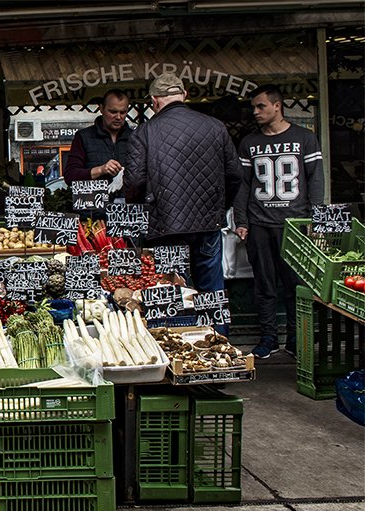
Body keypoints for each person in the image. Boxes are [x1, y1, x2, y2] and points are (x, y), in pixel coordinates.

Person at [124, 73, 243, 327]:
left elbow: (133, 183)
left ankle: (177, 347)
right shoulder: (215, 126)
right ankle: (220, 346)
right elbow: (235, 174)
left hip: (164, 226)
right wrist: (220, 207)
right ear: (184, 95)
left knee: (171, 291)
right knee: (211, 292)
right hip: (208, 224)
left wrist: (140, 209)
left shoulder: (144, 132)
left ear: (154, 101)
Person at [233, 84, 324, 359]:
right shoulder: (249, 142)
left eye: (261, 106)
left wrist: (316, 220)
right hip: (260, 223)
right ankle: (268, 338)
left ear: (277, 106)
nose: (256, 112)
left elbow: (316, 180)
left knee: (296, 286)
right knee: (264, 285)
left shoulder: (304, 138)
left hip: (295, 225)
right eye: (253, 107)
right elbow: (243, 185)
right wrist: (241, 220)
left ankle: (297, 340)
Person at [65, 89, 132, 196]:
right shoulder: (83, 137)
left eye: (123, 112)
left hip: (128, 209)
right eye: (113, 112)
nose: (118, 117)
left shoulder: (135, 137)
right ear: (101, 109)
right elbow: (70, 176)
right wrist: (101, 170)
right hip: (94, 209)